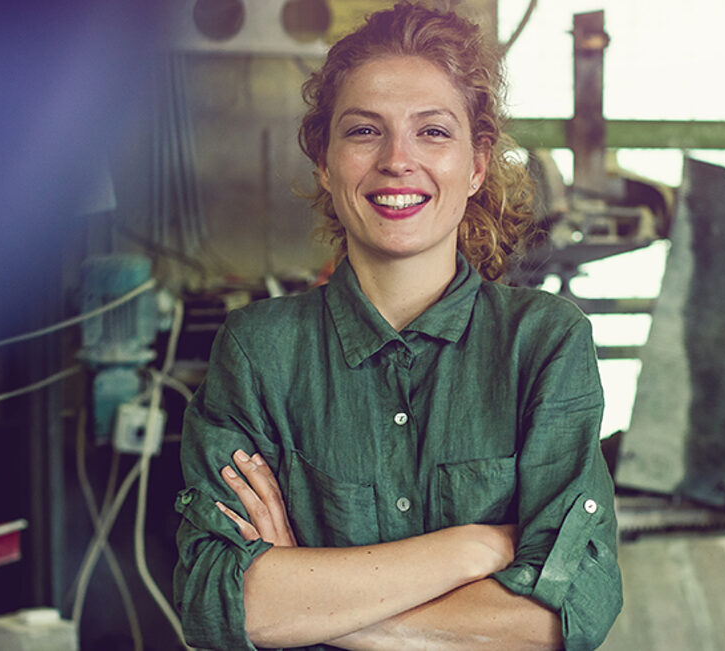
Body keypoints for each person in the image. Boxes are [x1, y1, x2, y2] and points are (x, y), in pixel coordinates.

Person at [172, 3, 623, 649]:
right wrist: (473, 548)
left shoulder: (543, 343)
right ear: (325, 163)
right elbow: (217, 602)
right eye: (364, 131)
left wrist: (307, 603)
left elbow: (563, 614)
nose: (397, 160)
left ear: (474, 166)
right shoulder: (258, 352)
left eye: (433, 132)